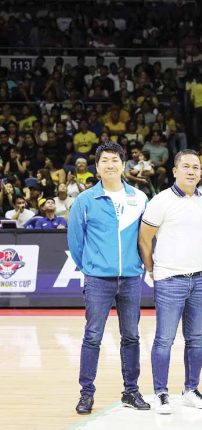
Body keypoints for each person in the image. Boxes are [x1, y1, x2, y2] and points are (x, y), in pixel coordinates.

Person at [67, 141, 149, 415]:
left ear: (123, 165)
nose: (110, 165)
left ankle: (131, 391)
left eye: (115, 160)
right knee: (92, 337)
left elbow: (145, 239)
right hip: (98, 280)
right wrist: (92, 267)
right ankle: (86, 394)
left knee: (132, 336)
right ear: (97, 166)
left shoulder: (139, 198)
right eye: (105, 161)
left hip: (130, 279)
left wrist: (138, 264)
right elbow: (76, 242)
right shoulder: (85, 200)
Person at [138, 149, 202, 414]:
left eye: (196, 167)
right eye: (186, 166)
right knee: (164, 340)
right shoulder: (160, 201)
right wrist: (152, 268)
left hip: (200, 278)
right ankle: (161, 393)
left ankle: (191, 390)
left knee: (195, 339)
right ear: (175, 171)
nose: (192, 171)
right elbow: (145, 239)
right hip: (169, 279)